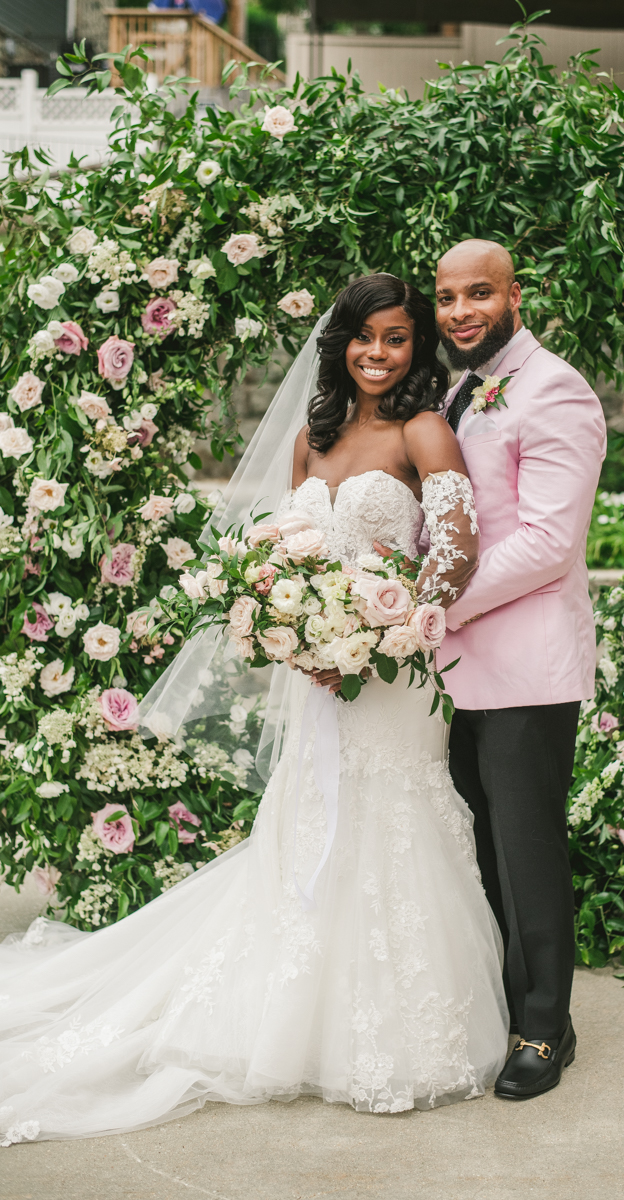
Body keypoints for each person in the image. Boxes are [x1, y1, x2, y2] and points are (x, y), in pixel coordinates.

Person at [0, 275, 508, 1147]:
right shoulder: (314, 441)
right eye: (363, 337)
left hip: (393, 677)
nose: (378, 354)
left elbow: (454, 554)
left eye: (396, 339)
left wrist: (385, 629)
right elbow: (279, 548)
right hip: (322, 673)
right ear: (339, 342)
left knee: (394, 820)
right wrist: (295, 633)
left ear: (418, 348)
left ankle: (392, 1031)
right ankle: (289, 1014)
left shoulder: (424, 431)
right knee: (312, 821)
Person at [435, 239, 606, 1100]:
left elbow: (547, 542)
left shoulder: (554, 388)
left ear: (513, 296)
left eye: (478, 294)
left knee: (526, 852)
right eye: (446, 297)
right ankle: (501, 1005)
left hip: (528, 668)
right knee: (476, 845)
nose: (461, 310)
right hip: (457, 668)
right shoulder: (457, 389)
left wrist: (439, 603)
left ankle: (546, 1029)